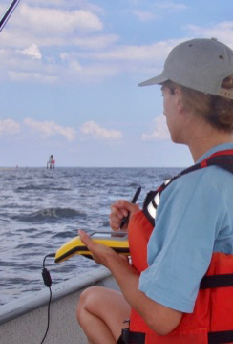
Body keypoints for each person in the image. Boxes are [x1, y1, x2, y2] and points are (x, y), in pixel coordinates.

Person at [76, 37, 233, 344]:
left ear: (180, 98)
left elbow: (163, 318)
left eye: (163, 93)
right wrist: (141, 222)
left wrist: (110, 260)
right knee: (92, 299)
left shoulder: (195, 189)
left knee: (89, 301)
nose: (162, 111)